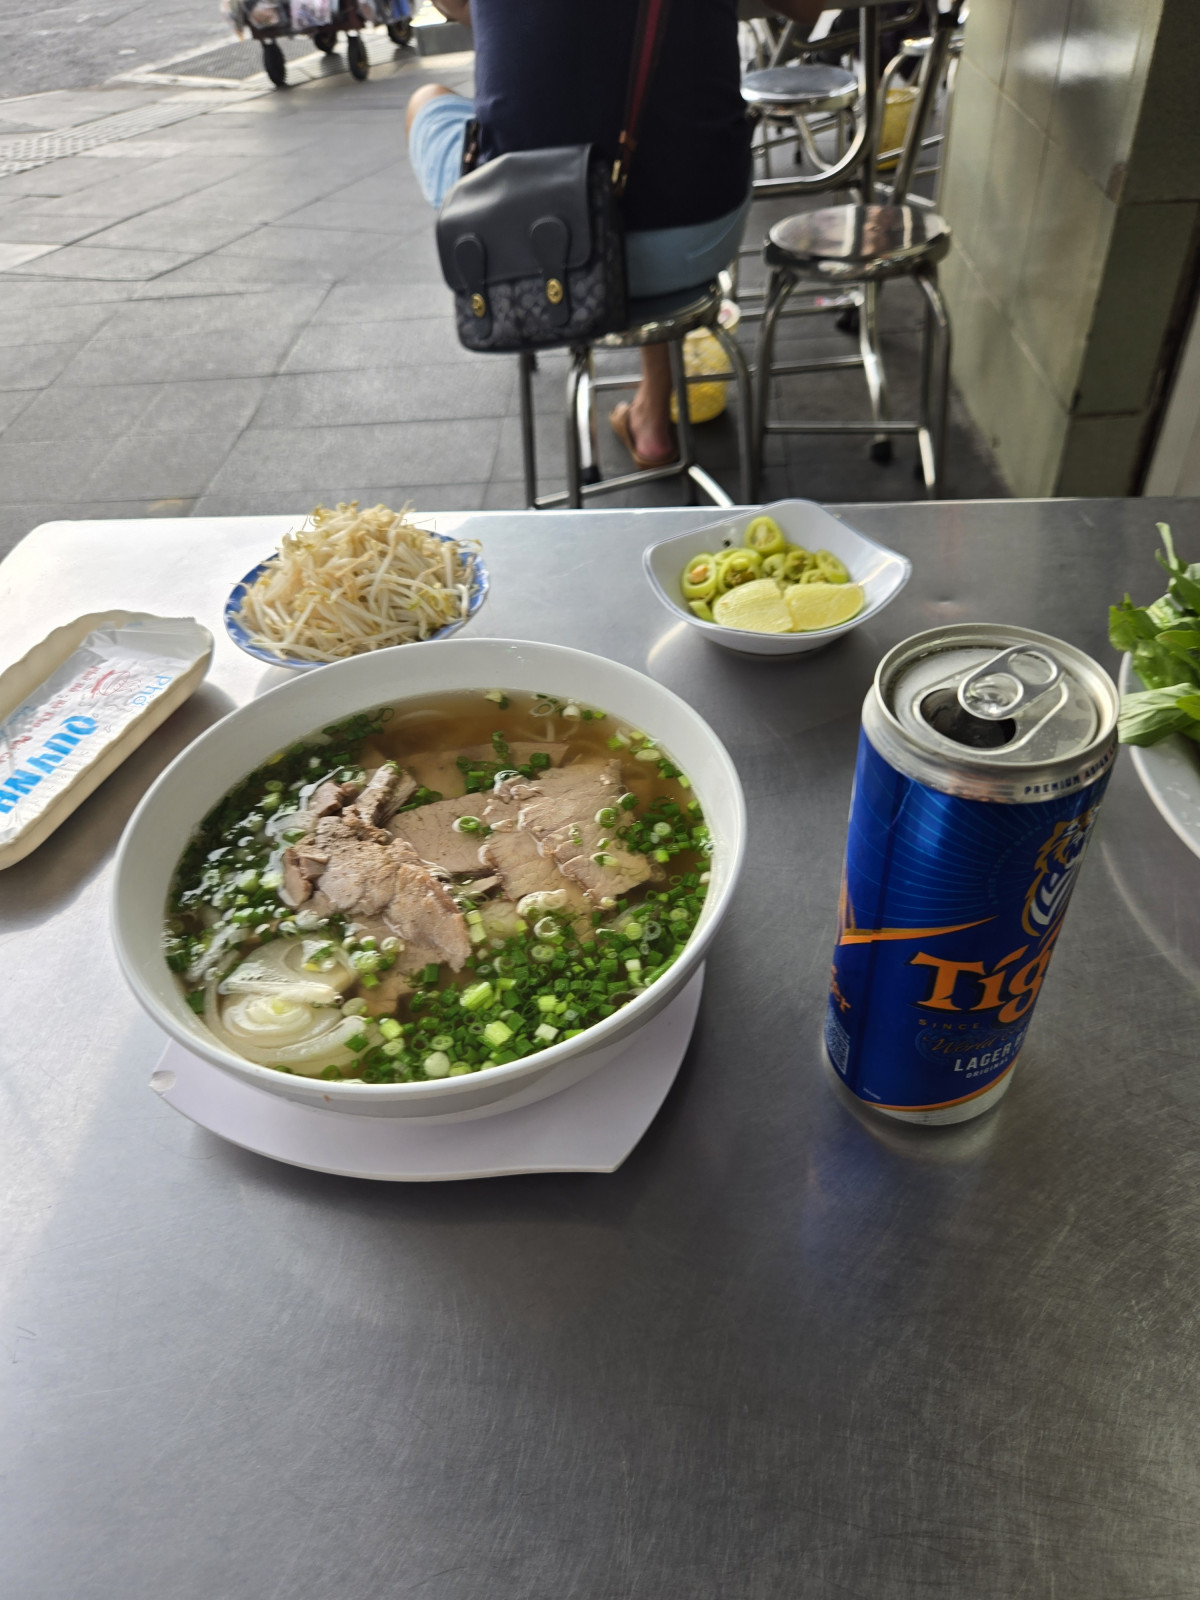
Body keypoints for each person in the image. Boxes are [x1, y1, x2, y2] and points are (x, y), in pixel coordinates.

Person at [408, 0, 826, 470]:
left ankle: (521, 296)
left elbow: (461, 10)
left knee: (426, 101)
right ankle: (652, 418)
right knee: (647, 112)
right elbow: (807, 8)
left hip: (531, 233)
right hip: (696, 234)